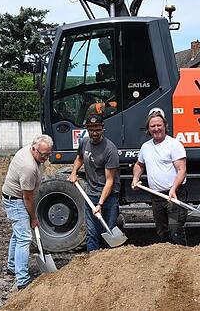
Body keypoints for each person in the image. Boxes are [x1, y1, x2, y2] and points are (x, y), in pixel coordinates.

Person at [2, 134, 53, 290]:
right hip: (16, 200)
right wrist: (33, 218)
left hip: (15, 197)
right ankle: (22, 280)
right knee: (24, 237)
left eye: (48, 154)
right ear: (34, 149)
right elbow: (28, 198)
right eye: (43, 155)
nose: (45, 158)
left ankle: (12, 266)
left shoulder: (31, 153)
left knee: (18, 233)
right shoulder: (28, 167)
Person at [131, 108, 188, 245]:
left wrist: (173, 189)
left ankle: (183, 255)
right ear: (148, 129)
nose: (156, 128)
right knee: (162, 231)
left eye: (159, 125)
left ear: (165, 126)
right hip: (156, 196)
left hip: (174, 195)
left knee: (175, 230)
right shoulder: (145, 147)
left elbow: (182, 170)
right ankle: (167, 257)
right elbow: (139, 165)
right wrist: (135, 179)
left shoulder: (174, 144)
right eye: (153, 126)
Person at [68, 113, 120, 252]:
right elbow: (79, 157)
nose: (94, 133)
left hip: (108, 198)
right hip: (91, 195)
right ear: (87, 129)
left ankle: (110, 261)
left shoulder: (110, 149)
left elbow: (110, 181)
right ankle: (92, 260)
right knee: (91, 233)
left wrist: (100, 204)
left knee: (109, 232)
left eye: (97, 129)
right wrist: (74, 172)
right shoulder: (84, 142)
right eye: (91, 129)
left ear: (103, 128)